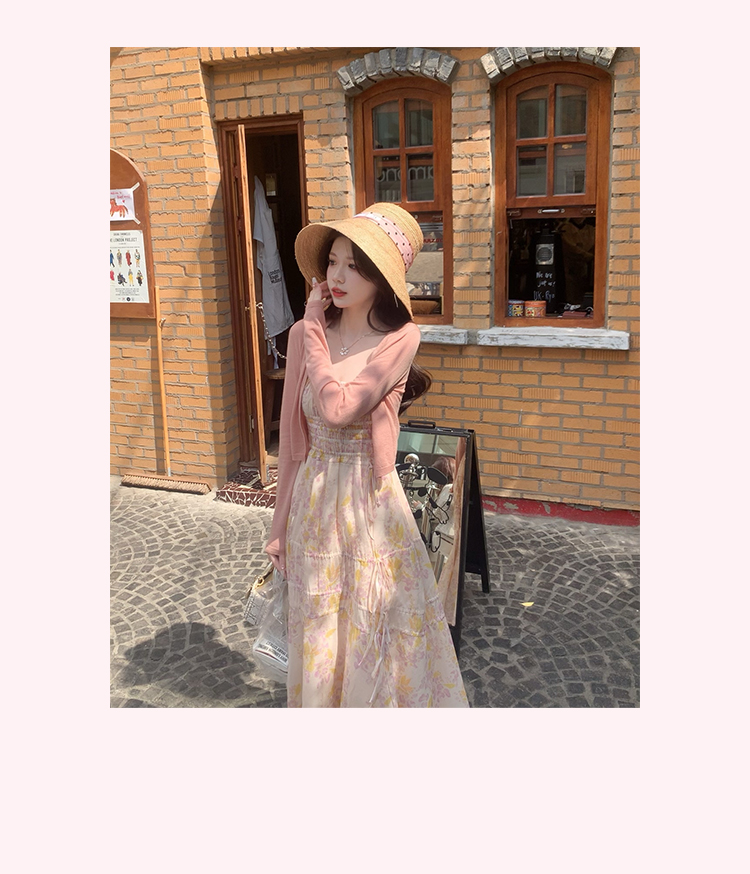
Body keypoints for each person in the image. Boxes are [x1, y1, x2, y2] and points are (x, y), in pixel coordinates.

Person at [264, 202, 468, 708]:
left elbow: (339, 408)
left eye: (353, 266)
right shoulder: (305, 334)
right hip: (314, 506)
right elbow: (294, 444)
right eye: (332, 262)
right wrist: (278, 526)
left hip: (371, 508)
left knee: (374, 635)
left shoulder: (400, 338)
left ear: (381, 278)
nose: (336, 276)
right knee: (322, 635)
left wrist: (313, 326)